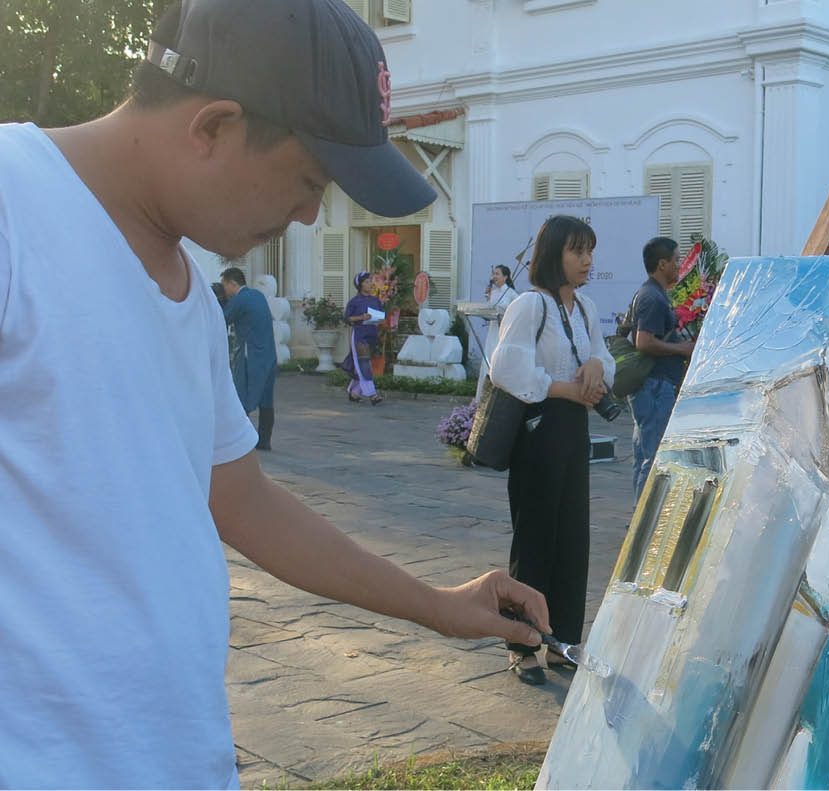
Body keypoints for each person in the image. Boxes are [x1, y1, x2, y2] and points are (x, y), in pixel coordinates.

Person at [0, 1, 549, 787]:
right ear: (214, 125)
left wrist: (438, 603)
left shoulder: (187, 294)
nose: (308, 214)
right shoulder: (14, 209)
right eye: (305, 179)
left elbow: (243, 498)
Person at [489, 215, 615, 686]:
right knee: (535, 538)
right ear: (553, 255)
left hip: (573, 430)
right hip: (538, 429)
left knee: (573, 537)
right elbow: (507, 369)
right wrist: (563, 388)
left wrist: (599, 367)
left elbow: (604, 355)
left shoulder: (585, 307)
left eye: (590, 251)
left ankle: (562, 639)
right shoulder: (529, 305)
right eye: (577, 251)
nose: (587, 261)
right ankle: (522, 643)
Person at [626, 237, 696, 502]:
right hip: (656, 386)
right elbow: (644, 342)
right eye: (676, 260)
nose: (679, 266)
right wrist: (683, 349)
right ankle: (642, 524)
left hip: (654, 385)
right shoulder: (652, 297)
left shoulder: (653, 293)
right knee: (652, 457)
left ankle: (637, 519)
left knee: (644, 453)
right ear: (662, 264)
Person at [221, 266, 278, 450]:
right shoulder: (258, 295)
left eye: (224, 286)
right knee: (266, 400)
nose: (224, 290)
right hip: (268, 355)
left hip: (251, 356)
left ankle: (239, 440)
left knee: (242, 396)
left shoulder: (240, 299)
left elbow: (220, 319)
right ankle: (264, 441)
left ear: (232, 283)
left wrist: (219, 301)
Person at [476, 264, 519, 400]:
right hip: (493, 330)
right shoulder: (493, 293)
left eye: (497, 274)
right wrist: (487, 297)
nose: (494, 277)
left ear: (505, 277)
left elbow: (517, 313)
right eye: (493, 274)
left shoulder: (512, 294)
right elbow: (488, 310)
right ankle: (485, 396)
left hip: (505, 331)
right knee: (489, 357)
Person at [342, 270, 384, 405]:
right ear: (360, 285)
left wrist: (379, 320)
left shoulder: (376, 300)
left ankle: (354, 393)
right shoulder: (354, 302)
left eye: (371, 280)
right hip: (359, 335)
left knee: (363, 364)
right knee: (364, 364)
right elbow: (347, 318)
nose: (370, 283)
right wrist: (362, 317)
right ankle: (372, 394)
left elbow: (380, 316)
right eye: (367, 281)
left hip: (372, 335)